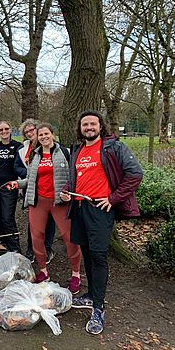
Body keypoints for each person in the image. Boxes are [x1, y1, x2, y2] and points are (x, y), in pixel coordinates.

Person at [60, 110, 142, 335]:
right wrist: (68, 191)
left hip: (100, 209)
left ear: (100, 126)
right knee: (86, 252)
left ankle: (99, 308)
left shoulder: (113, 147)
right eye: (85, 124)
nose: (89, 128)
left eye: (92, 124)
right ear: (80, 128)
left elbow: (135, 174)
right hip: (79, 208)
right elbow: (75, 179)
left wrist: (114, 198)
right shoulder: (77, 149)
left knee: (98, 256)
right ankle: (90, 296)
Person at [9, 123, 82, 294]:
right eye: (40, 135)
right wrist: (16, 183)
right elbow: (30, 179)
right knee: (36, 238)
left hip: (59, 203)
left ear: (53, 134)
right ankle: (43, 271)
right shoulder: (35, 155)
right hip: (38, 202)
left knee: (69, 238)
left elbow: (74, 177)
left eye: (46, 134)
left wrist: (70, 193)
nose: (43, 137)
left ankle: (76, 274)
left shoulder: (65, 153)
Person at [15, 119, 56, 263]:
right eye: (26, 132)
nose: (30, 133)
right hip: (31, 188)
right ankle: (31, 250)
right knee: (33, 222)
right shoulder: (22, 149)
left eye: (32, 130)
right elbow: (18, 167)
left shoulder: (49, 146)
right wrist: (29, 174)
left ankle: (47, 249)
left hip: (50, 191)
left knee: (50, 221)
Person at [0, 121, 21, 252]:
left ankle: (15, 248)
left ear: (11, 130)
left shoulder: (17, 146)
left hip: (9, 188)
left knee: (8, 218)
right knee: (0, 218)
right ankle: (3, 244)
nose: (4, 131)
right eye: (1, 130)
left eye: (6, 129)